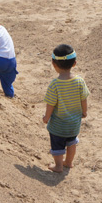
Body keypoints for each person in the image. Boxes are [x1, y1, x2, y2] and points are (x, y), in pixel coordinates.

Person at [42, 44, 89, 173]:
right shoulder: (79, 81)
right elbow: (83, 98)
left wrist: (47, 117)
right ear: (74, 63)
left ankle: (58, 166)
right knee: (72, 142)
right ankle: (68, 162)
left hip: (58, 125)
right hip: (74, 123)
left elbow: (50, 104)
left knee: (57, 146)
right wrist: (84, 111)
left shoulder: (55, 85)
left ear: (53, 64)